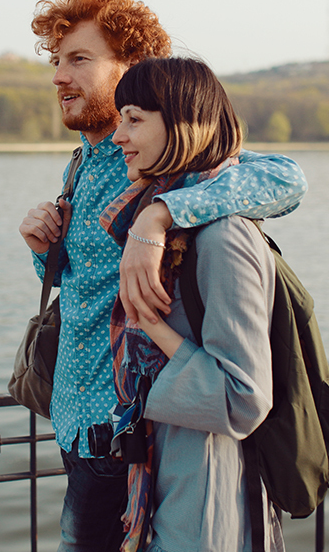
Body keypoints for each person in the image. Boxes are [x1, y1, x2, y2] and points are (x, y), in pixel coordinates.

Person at [18, 0, 303, 552]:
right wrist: (44, 253)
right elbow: (89, 288)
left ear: (131, 65)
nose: (59, 76)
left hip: (125, 434)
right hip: (73, 428)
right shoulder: (86, 163)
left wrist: (161, 214)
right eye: (55, 59)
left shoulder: (166, 165)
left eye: (78, 59)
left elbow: (287, 178)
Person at [101, 57, 283, 552]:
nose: (119, 135)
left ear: (182, 123)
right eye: (121, 119)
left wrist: (149, 324)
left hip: (207, 505)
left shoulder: (224, 236)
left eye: (134, 119)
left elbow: (244, 399)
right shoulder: (170, 213)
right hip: (173, 482)